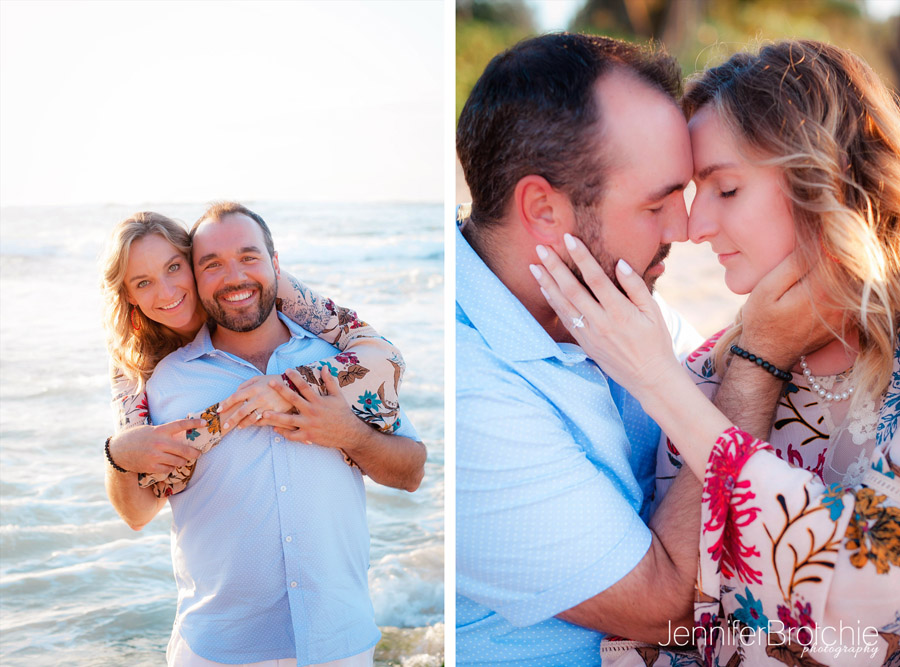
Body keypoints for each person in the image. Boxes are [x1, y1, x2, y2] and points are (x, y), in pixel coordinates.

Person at [533, 40, 899, 665]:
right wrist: (742, 370)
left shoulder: (681, 387)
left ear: (830, 180)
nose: (695, 226)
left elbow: (858, 607)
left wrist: (658, 384)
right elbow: (678, 626)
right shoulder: (711, 370)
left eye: (725, 190)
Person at [455, 33, 728, 663]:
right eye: (657, 203)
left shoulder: (608, 299)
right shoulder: (471, 385)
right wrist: (758, 358)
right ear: (544, 209)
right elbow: (672, 611)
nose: (684, 230)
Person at [111, 203, 426, 667]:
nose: (234, 275)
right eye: (212, 264)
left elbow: (412, 471)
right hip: (218, 649)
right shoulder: (161, 383)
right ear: (198, 281)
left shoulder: (341, 362)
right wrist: (118, 454)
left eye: (249, 257)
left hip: (339, 642)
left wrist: (351, 435)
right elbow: (137, 512)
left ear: (276, 264)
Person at [102, 209, 407, 507]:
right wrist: (117, 453)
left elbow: (376, 349)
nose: (167, 292)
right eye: (143, 282)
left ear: (193, 263)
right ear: (128, 294)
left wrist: (285, 390)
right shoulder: (132, 358)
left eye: (173, 268)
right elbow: (140, 506)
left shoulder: (259, 288)